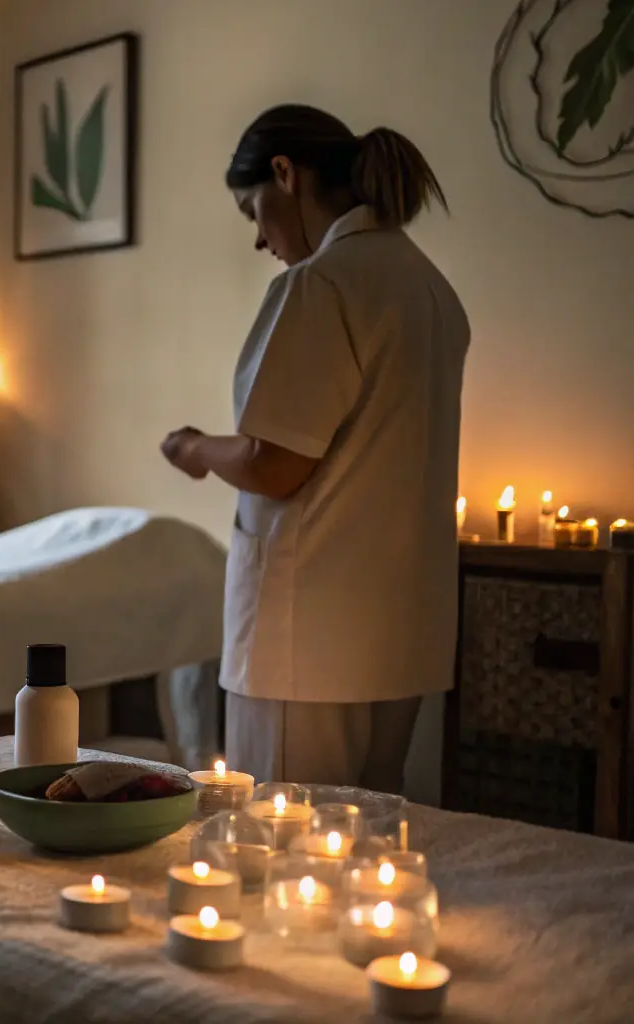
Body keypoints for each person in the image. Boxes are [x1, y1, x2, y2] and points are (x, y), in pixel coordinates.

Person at [161, 105, 470, 792]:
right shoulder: (429, 289)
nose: (258, 239)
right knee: (371, 853)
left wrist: (197, 448)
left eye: (252, 211)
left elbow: (276, 465)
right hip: (400, 629)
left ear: (284, 174)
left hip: (308, 640)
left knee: (278, 851)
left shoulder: (321, 284)